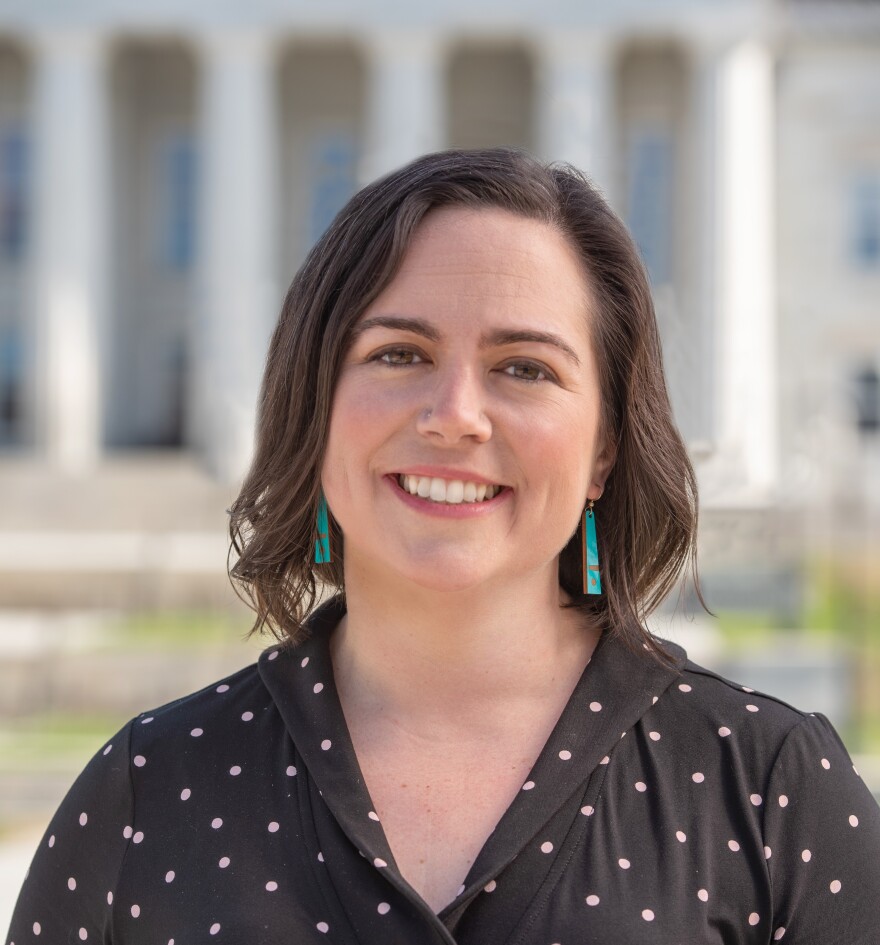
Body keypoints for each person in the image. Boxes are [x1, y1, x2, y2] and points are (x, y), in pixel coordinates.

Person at [7, 148, 880, 944]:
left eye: (525, 367)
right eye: (399, 353)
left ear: (604, 449)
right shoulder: (146, 795)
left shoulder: (771, 793)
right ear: (316, 410)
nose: (455, 414)